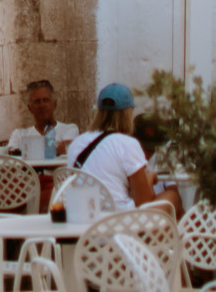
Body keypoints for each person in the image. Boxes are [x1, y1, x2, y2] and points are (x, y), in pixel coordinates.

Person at [67, 82, 181, 215]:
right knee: (172, 196)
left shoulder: (77, 143)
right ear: (128, 112)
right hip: (119, 219)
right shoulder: (128, 144)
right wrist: (149, 179)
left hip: (84, 217)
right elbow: (144, 202)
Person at [9, 79, 80, 161]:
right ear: (29, 108)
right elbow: (11, 155)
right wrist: (54, 150)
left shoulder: (69, 129)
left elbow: (65, 149)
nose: (42, 105)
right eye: (37, 102)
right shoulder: (19, 135)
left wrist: (26, 152)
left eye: (46, 100)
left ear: (54, 104)